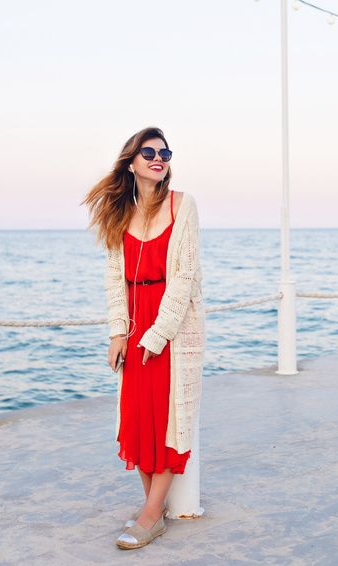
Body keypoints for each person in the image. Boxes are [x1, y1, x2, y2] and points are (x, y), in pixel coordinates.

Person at [83, 127, 205, 550]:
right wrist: (119, 331)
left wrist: (157, 335)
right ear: (131, 161)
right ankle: (150, 506)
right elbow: (115, 278)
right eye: (148, 152)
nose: (158, 158)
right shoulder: (120, 213)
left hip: (171, 326)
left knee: (169, 421)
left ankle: (151, 515)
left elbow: (185, 277)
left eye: (164, 152)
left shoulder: (182, 205)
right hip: (135, 324)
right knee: (137, 418)